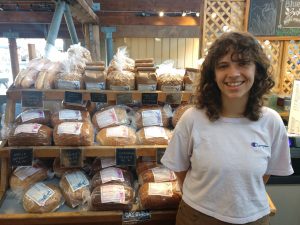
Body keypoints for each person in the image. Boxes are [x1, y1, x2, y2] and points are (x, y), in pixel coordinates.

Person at [161, 31, 294, 225]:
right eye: (223, 66)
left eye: (243, 63)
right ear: (213, 75)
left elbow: (264, 175)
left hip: (254, 217)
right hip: (198, 216)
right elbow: (180, 170)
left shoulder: (271, 122)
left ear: (257, 70)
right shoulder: (193, 119)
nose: (233, 73)